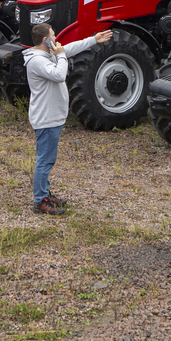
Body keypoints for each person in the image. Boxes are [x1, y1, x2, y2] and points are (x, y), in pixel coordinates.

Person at [23, 24, 112, 215]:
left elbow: (69, 48)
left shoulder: (46, 55)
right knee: (45, 161)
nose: (56, 37)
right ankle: (40, 201)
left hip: (51, 118)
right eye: (53, 34)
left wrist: (93, 40)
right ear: (45, 40)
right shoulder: (38, 61)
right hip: (46, 119)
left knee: (46, 159)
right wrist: (61, 55)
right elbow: (59, 74)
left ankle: (44, 193)